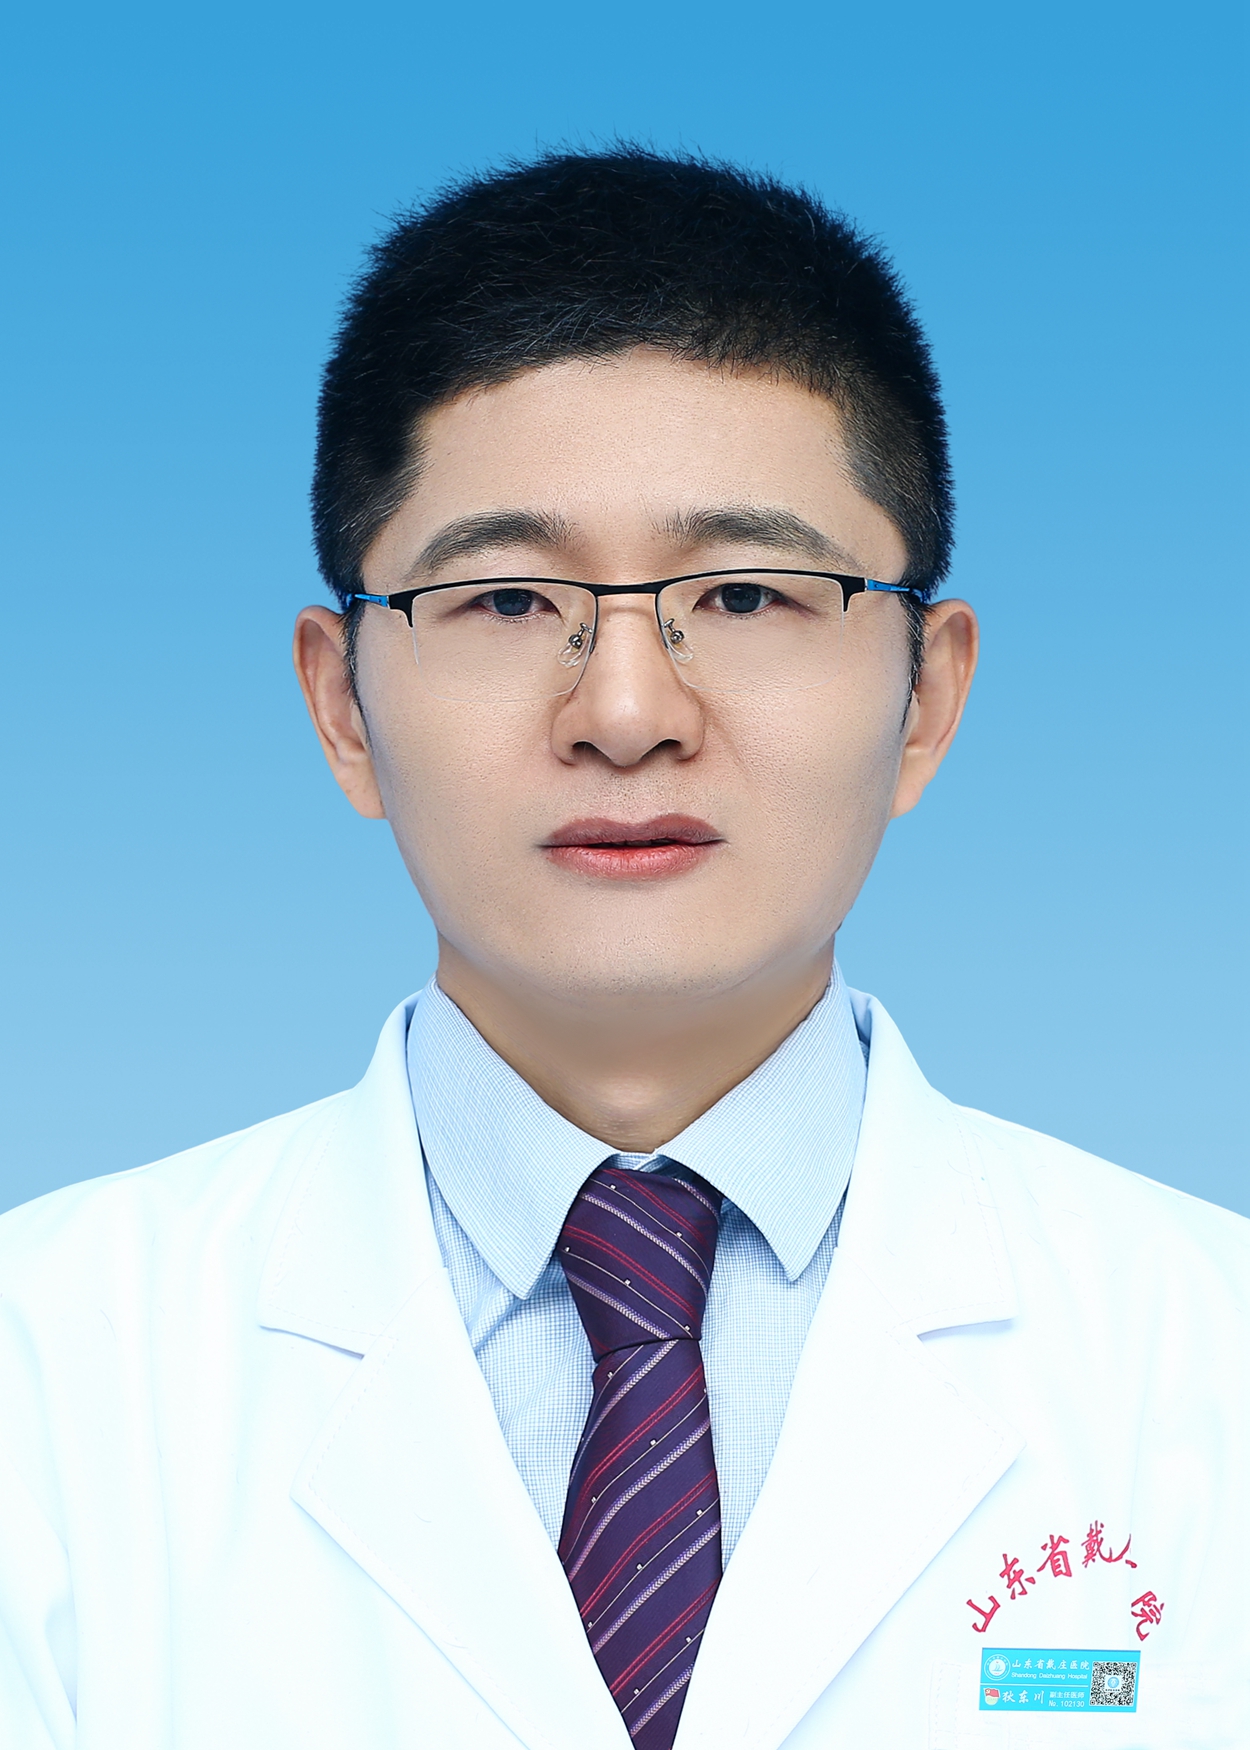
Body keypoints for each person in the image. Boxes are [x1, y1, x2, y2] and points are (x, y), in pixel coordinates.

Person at [0, 148, 1245, 1750]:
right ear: (340, 704)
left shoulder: (1203, 1356)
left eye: (746, 594)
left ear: (926, 695)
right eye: (509, 601)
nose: (627, 711)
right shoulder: (46, 1369)